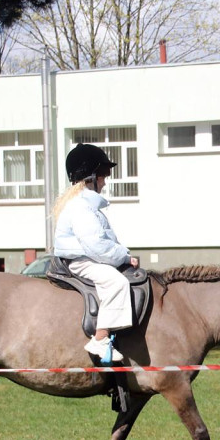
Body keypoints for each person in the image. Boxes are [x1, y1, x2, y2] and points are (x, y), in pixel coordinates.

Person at [53, 143, 138, 362]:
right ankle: (100, 340)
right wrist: (125, 257)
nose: (105, 180)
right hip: (82, 260)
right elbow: (97, 246)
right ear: (90, 177)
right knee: (116, 282)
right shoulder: (81, 208)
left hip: (86, 257)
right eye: (103, 175)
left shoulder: (85, 206)